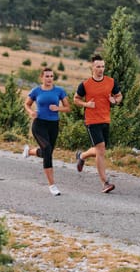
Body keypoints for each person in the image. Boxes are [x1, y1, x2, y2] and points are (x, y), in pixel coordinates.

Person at [73, 54, 123, 193]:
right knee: (100, 150)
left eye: (102, 66)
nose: (101, 69)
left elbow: (119, 95)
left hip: (105, 120)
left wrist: (115, 101)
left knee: (99, 150)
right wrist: (86, 104)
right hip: (91, 121)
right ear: (92, 67)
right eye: (98, 67)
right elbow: (76, 99)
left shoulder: (111, 82)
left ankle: (81, 156)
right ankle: (104, 183)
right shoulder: (85, 84)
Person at [23, 67, 70, 196]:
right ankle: (52, 185)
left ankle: (30, 151)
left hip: (53, 125)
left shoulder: (59, 91)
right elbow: (26, 104)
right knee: (48, 150)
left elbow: (68, 108)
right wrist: (31, 112)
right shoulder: (36, 91)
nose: (49, 78)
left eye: (51, 76)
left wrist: (58, 108)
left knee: (46, 152)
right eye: (47, 76)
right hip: (39, 124)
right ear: (41, 77)